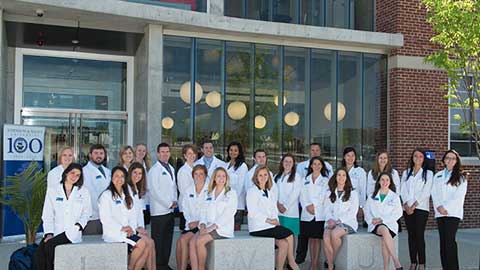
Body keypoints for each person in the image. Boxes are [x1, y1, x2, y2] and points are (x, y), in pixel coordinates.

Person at [35, 163, 92, 270]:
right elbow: (47, 214)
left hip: (73, 232)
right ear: (66, 173)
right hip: (56, 231)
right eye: (72, 173)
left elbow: (87, 213)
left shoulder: (83, 191)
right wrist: (48, 233)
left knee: (49, 247)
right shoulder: (53, 190)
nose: (74, 177)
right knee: (41, 253)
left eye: (78, 175)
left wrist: (79, 226)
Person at [246, 165, 299, 270]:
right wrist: (270, 220)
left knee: (283, 244)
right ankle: (292, 262)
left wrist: (277, 221)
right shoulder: (252, 191)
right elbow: (253, 212)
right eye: (260, 175)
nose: (263, 177)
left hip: (270, 226)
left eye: (265, 175)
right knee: (289, 234)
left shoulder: (270, 192)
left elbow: (274, 210)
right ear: (256, 177)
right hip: (259, 227)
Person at [99, 166, 149, 270]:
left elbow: (132, 214)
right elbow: (105, 218)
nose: (119, 179)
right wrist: (122, 228)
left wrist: (131, 228)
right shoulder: (106, 195)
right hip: (114, 233)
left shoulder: (127, 194)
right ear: (111, 178)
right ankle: (130, 267)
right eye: (116, 176)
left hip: (128, 232)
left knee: (146, 248)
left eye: (122, 176)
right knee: (142, 244)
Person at [189, 167, 237, 270]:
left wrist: (212, 227)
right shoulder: (209, 193)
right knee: (192, 242)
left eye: (224, 176)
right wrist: (202, 225)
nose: (221, 179)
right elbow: (203, 211)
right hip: (208, 226)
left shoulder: (231, 193)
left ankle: (201, 268)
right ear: (214, 178)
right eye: (219, 176)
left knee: (200, 241)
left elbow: (229, 213)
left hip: (221, 229)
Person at [431, 150, 467, 270]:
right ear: (444, 160)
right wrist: (439, 207)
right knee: (443, 243)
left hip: (452, 213)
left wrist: (445, 208)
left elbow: (458, 196)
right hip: (440, 213)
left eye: (453, 158)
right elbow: (434, 192)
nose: (450, 160)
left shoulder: (461, 177)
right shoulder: (438, 175)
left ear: (456, 161)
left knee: (449, 242)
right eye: (448, 158)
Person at [400, 149, 433, 270]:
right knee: (411, 235)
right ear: (412, 158)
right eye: (415, 156)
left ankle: (422, 263)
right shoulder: (406, 172)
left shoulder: (428, 173)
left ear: (424, 159)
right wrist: (406, 205)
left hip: (421, 208)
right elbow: (402, 189)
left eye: (420, 156)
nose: (418, 158)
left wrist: (413, 206)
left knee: (419, 235)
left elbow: (426, 191)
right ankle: (413, 261)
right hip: (407, 208)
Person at [364, 172, 403, 270]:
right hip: (375, 225)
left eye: (387, 180)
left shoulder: (394, 197)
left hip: (390, 224)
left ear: (390, 182)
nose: (385, 182)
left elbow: (398, 213)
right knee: (384, 230)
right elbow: (366, 211)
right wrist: (371, 220)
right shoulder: (371, 196)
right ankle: (396, 262)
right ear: (379, 182)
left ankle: (386, 268)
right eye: (382, 179)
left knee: (385, 241)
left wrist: (382, 219)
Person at [148, 143, 177, 270]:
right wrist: (169, 203)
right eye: (162, 152)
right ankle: (159, 266)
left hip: (170, 211)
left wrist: (175, 201)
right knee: (158, 242)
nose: (165, 154)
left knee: (167, 241)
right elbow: (154, 191)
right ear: (158, 154)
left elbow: (173, 188)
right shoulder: (154, 170)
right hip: (159, 212)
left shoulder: (171, 168)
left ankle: (165, 264)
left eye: (167, 152)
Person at [323, 168, 359, 270]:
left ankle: (330, 263)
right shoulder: (330, 192)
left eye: (344, 175)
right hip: (331, 221)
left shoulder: (353, 193)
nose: (341, 177)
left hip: (347, 222)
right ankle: (331, 265)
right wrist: (330, 219)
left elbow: (352, 212)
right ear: (335, 177)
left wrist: (338, 221)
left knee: (334, 234)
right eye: (339, 175)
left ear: (347, 178)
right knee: (326, 237)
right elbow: (326, 208)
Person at [298, 157, 330, 270]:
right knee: (311, 239)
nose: (316, 166)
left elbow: (324, 196)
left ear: (322, 166)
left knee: (317, 240)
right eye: (314, 164)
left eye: (319, 164)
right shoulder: (304, 179)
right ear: (311, 166)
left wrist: (314, 206)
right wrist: (307, 205)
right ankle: (312, 264)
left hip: (319, 214)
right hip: (307, 213)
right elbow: (301, 195)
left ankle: (315, 265)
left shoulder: (326, 181)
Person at [176, 165, 209, 270]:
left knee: (184, 240)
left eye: (201, 174)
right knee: (180, 242)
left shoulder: (210, 190)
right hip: (191, 224)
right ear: (193, 176)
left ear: (205, 176)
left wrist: (199, 222)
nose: (198, 176)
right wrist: (190, 221)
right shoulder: (188, 190)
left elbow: (210, 211)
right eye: (196, 174)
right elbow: (185, 208)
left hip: (204, 225)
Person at [127, 162, 156, 270]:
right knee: (148, 243)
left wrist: (141, 228)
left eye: (140, 173)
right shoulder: (127, 189)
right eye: (135, 173)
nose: (137, 176)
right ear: (130, 173)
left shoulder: (136, 189)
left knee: (151, 243)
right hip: (128, 230)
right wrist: (137, 230)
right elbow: (127, 213)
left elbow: (138, 213)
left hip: (136, 227)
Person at [367, 151, 403, 232]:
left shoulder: (394, 173)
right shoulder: (371, 173)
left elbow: (397, 190)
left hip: (389, 208)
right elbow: (369, 191)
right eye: (380, 158)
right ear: (377, 159)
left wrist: (390, 200)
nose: (383, 160)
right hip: (375, 207)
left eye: (385, 158)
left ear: (388, 160)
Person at [83, 144, 111, 235]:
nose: (99, 155)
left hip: (108, 218)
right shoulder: (84, 172)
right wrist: (103, 211)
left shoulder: (108, 171)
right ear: (90, 155)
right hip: (93, 218)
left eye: (101, 153)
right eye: (96, 153)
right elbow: (91, 195)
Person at [274, 153, 302, 237]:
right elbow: (273, 192)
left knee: (290, 236)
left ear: (293, 164)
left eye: (290, 162)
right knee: (279, 237)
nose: (288, 163)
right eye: (286, 161)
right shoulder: (277, 176)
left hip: (290, 212)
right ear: (282, 163)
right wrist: (277, 204)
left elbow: (295, 193)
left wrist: (285, 206)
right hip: (278, 212)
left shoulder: (297, 176)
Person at [226, 141, 249, 231]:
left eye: (236, 150)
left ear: (239, 152)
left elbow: (240, 187)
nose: (233, 152)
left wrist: (230, 198)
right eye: (231, 150)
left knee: (235, 231)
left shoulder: (243, 166)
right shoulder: (226, 165)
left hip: (237, 205)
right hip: (226, 203)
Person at [342, 147, 367, 223]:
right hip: (342, 204)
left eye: (352, 155)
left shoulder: (360, 171)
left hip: (355, 204)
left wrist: (361, 207)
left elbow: (363, 190)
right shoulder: (341, 171)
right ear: (344, 157)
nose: (350, 158)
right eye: (348, 155)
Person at [177, 144, 198, 231]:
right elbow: (184, 191)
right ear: (185, 156)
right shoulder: (183, 171)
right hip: (186, 207)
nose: (192, 156)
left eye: (193, 153)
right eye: (189, 153)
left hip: (195, 207)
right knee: (186, 233)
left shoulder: (196, 168)